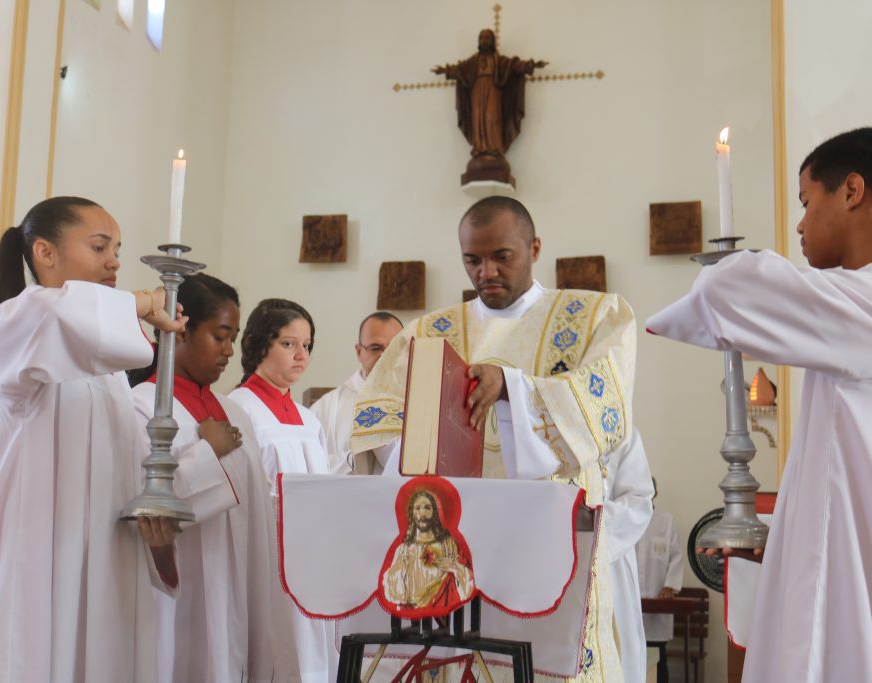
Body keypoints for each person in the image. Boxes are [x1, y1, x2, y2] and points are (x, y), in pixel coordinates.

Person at [646, 127, 872, 683]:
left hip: (867, 590)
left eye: (806, 202)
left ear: (852, 191)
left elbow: (726, 293)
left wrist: (723, 261)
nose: (801, 225)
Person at [352, 196, 654, 683]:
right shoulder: (430, 332)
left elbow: (606, 408)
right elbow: (377, 421)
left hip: (547, 543)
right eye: (472, 259)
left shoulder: (594, 317)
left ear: (534, 248)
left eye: (501, 256)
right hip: (456, 548)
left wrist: (512, 388)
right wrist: (428, 433)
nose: (486, 271)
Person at [0, 196, 185, 683]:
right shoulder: (14, 322)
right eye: (99, 247)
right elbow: (62, 316)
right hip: (39, 553)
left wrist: (154, 527)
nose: (114, 262)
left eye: (117, 250)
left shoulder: (107, 371)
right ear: (45, 253)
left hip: (104, 557)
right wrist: (148, 301)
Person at [129, 273, 254, 683]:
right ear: (180, 331)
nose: (229, 351)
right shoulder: (140, 408)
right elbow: (141, 509)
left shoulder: (235, 412)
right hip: (178, 591)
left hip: (234, 586)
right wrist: (207, 453)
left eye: (233, 338)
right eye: (220, 336)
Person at [228, 298, 336, 683]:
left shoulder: (309, 419)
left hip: (311, 556)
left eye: (307, 345)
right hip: (267, 557)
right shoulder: (239, 409)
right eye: (289, 344)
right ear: (260, 344)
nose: (301, 355)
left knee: (313, 651)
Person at [432, 29, 547, 184]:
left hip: (493, 91)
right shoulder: (473, 61)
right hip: (476, 92)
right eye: (482, 38)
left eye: (487, 37)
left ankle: (495, 149)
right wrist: (445, 71)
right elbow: (460, 70)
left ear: (492, 41)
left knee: (492, 118)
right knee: (478, 120)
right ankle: (480, 149)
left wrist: (530, 65)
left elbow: (514, 66)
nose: (484, 40)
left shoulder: (498, 60)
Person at [310, 311, 402, 474]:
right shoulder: (325, 408)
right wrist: (354, 459)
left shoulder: (425, 400)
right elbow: (309, 465)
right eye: (376, 348)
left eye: (394, 347)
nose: (385, 356)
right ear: (359, 351)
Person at [381, 489, 474, 615]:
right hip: (412, 613)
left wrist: (457, 568)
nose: (422, 513)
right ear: (412, 513)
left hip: (444, 609)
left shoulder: (449, 545)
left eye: (427, 508)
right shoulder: (403, 550)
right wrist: (399, 570)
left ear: (435, 512)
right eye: (417, 508)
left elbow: (468, 584)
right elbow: (394, 594)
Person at [634, 478, 682, 683]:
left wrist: (670, 586)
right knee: (632, 656)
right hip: (633, 604)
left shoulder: (666, 521)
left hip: (658, 603)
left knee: (658, 659)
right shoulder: (628, 520)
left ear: (655, 492)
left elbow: (676, 556)